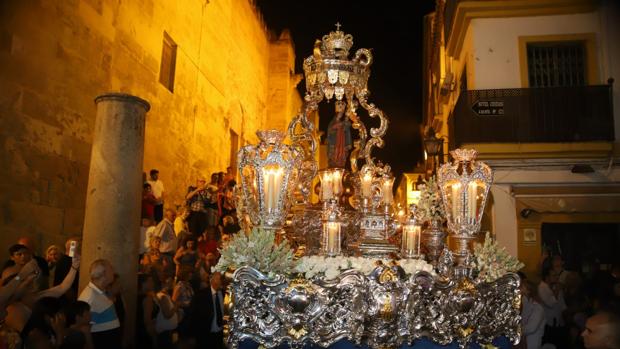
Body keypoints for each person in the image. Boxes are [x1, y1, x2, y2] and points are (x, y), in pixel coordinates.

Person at [78, 259, 121, 349]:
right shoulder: (90, 297)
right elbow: (85, 328)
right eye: (111, 269)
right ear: (103, 274)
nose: (113, 271)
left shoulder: (101, 291)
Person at [190, 272, 225, 349]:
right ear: (213, 280)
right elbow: (194, 316)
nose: (222, 281)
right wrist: (193, 335)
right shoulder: (201, 295)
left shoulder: (223, 293)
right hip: (206, 333)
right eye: (220, 279)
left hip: (220, 332)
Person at [539, 268, 568, 348]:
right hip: (549, 324)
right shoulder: (542, 288)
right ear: (547, 277)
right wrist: (557, 291)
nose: (557, 277)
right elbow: (550, 303)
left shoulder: (555, 286)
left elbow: (562, 304)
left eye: (557, 275)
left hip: (560, 322)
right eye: (554, 275)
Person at [326, 100, 352, 168]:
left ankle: (340, 163)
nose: (340, 115)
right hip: (334, 143)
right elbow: (330, 130)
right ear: (337, 115)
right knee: (333, 157)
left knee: (341, 157)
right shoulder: (332, 122)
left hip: (341, 143)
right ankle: (333, 164)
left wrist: (346, 119)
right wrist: (338, 125)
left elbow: (346, 129)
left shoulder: (342, 122)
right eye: (339, 114)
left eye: (341, 114)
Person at [54, 238, 81, 303]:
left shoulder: (69, 260)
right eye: (77, 248)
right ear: (72, 248)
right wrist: (73, 301)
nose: (79, 251)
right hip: (65, 299)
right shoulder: (66, 261)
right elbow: (67, 285)